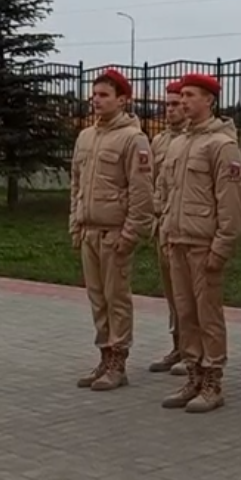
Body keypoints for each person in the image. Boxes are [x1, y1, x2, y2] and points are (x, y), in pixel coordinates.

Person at [158, 73, 241, 412]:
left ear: (209, 100)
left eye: (190, 95)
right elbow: (167, 192)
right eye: (181, 96)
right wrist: (165, 231)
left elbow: (231, 203)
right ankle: (193, 374)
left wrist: (221, 246)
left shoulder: (221, 145)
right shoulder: (178, 142)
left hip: (203, 244)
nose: (183, 102)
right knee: (185, 313)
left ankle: (212, 380)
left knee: (208, 314)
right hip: (177, 240)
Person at [69, 69, 155, 391]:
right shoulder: (85, 137)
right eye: (94, 95)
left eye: (104, 95)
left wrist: (131, 233)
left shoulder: (133, 139)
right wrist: (75, 223)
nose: (96, 100)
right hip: (89, 230)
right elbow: (76, 184)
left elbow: (141, 191)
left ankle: (118, 360)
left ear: (122, 100)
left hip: (115, 233)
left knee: (116, 298)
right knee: (97, 298)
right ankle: (104, 356)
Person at [148, 80, 189, 377]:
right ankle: (178, 345)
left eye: (176, 104)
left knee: (191, 295)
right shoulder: (159, 141)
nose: (171, 109)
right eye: (169, 104)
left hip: (189, 227)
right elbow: (153, 182)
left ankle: (194, 350)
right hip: (164, 225)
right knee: (172, 293)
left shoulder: (197, 141)